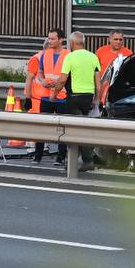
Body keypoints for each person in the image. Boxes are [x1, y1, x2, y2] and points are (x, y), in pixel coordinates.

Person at [48, 31, 101, 171]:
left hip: (74, 98)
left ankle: (85, 160)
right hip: (88, 98)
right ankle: (74, 160)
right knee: (81, 128)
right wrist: (96, 99)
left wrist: (54, 95)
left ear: (72, 43)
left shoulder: (70, 57)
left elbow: (62, 80)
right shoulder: (93, 57)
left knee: (75, 131)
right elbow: (98, 82)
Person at [26, 28, 69, 164]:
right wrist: (42, 80)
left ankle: (60, 157)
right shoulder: (45, 54)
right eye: (49, 38)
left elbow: (69, 75)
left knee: (62, 129)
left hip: (62, 96)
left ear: (61, 40)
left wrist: (59, 82)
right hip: (46, 96)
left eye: (52, 39)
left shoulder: (68, 55)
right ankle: (38, 155)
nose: (49, 41)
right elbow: (40, 72)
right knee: (42, 127)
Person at [95, 30, 133, 105]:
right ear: (109, 39)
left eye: (120, 39)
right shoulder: (101, 51)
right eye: (115, 39)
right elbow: (95, 70)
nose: (118, 42)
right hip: (102, 90)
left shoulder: (128, 53)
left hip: (119, 90)